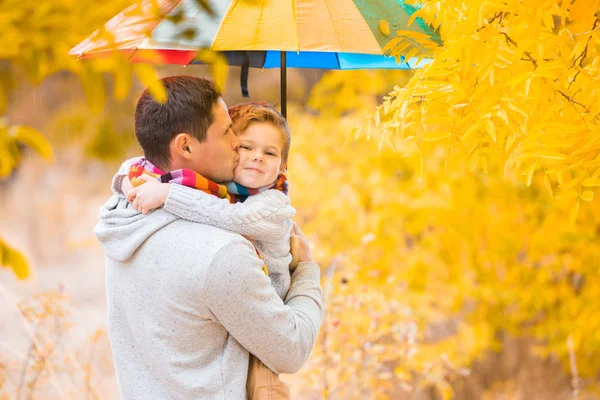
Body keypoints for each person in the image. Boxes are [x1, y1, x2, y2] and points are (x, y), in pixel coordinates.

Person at [94, 76, 323, 400]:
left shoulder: (125, 206)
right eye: (227, 131)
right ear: (186, 146)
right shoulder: (222, 253)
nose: (237, 141)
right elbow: (291, 349)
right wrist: (307, 270)